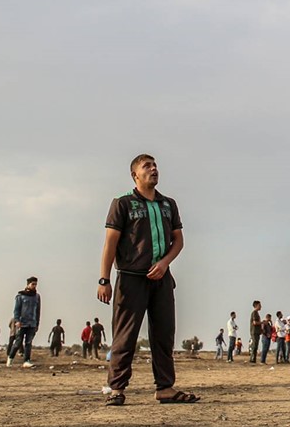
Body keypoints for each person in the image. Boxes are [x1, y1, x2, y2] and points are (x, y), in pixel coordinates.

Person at [97, 153, 199, 405]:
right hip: (131, 279)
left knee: (164, 334)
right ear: (135, 175)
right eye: (147, 166)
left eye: (155, 166)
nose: (153, 169)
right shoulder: (122, 204)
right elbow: (110, 244)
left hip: (161, 279)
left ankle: (165, 387)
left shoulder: (168, 204)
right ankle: (116, 389)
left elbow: (179, 241)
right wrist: (104, 279)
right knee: (125, 335)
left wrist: (164, 263)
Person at [6, 277, 41, 368]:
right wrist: (17, 321)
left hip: (32, 323)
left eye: (35, 284)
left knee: (28, 343)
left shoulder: (37, 297)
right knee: (18, 342)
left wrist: (37, 323)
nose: (34, 286)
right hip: (22, 323)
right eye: (33, 284)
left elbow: (38, 311)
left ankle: (26, 360)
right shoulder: (20, 296)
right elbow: (16, 310)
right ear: (28, 284)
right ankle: (10, 358)